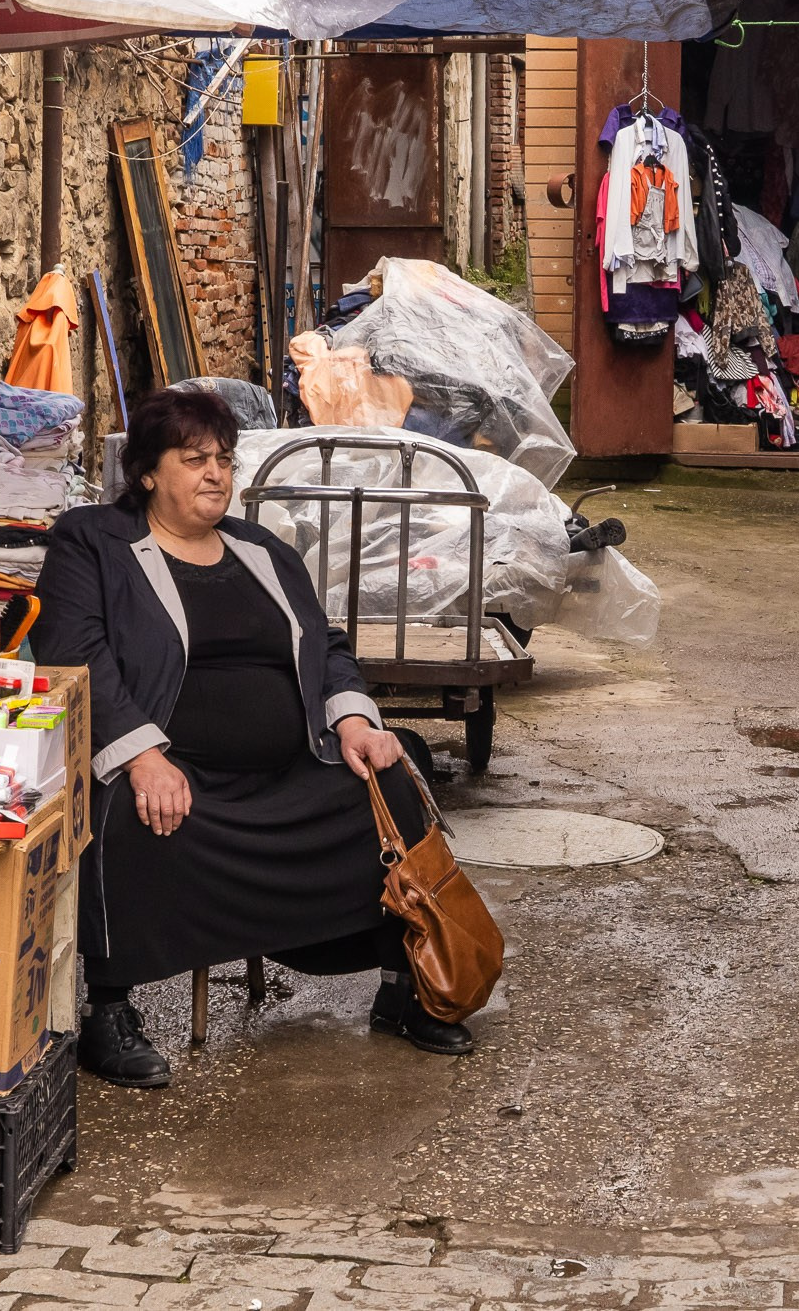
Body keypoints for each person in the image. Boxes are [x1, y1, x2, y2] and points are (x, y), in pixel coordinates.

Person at [32, 388, 474, 1087]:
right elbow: (74, 650)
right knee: (124, 811)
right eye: (195, 458)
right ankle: (109, 1012)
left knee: (394, 770)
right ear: (147, 471)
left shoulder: (262, 549)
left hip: (289, 767)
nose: (216, 472)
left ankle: (406, 982)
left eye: (224, 458)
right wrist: (144, 753)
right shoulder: (94, 541)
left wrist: (355, 719)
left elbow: (326, 646)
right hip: (181, 775)